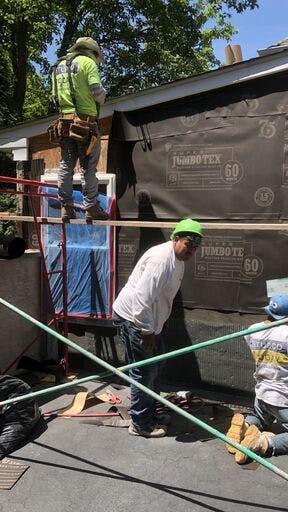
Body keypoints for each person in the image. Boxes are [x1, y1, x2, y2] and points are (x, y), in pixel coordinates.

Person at [112, 219, 203, 438]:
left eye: (195, 246)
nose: (191, 249)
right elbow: (142, 298)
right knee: (144, 372)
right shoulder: (161, 260)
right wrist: (147, 330)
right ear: (176, 238)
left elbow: (162, 295)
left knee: (157, 367)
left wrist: (162, 319)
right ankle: (141, 424)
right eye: (188, 243)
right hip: (135, 319)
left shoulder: (178, 259)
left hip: (151, 321)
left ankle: (150, 412)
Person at [226, 294, 288, 463]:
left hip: (263, 392)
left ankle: (244, 426)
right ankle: (262, 443)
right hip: (285, 397)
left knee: (261, 418)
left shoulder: (253, 330)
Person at [51, 37, 109, 222]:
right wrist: (102, 98)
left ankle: (66, 207)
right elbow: (96, 91)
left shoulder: (57, 66)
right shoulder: (87, 63)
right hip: (86, 124)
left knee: (66, 166)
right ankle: (91, 206)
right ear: (92, 52)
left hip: (65, 123)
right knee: (88, 167)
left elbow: (54, 97)